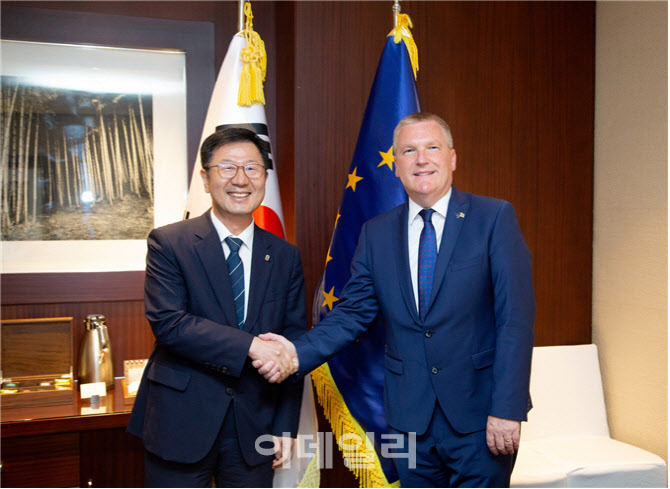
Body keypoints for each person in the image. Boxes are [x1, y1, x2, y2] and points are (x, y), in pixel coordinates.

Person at [256, 112, 535, 487]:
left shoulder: (493, 217)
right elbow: (352, 314)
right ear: (396, 165)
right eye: (409, 151)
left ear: (452, 158)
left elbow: (515, 321)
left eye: (432, 148)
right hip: (409, 422)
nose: (421, 159)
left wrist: (507, 408)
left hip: (480, 417)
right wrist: (294, 353)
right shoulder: (376, 233)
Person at [127, 127, 306, 488]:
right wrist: (251, 346)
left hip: (254, 424)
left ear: (264, 178)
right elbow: (170, 323)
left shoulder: (285, 255)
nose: (240, 179)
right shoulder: (169, 243)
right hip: (181, 420)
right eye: (227, 168)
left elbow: (292, 341)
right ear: (206, 179)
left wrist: (286, 426)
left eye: (252, 168)